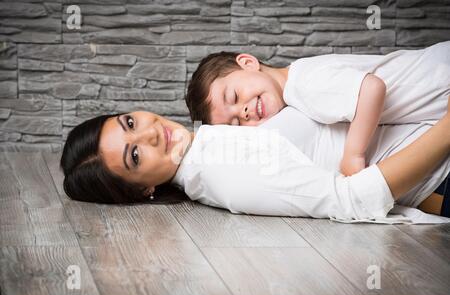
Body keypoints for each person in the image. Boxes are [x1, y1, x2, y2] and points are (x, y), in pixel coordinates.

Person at [60, 101, 450, 224]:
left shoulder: (208, 140)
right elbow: (352, 200)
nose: (147, 133)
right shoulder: (224, 173)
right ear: (143, 189)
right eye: (135, 155)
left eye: (129, 122)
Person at [185, 42, 450, 176]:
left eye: (234, 96)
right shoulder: (298, 84)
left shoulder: (302, 83)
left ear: (248, 63)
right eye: (235, 124)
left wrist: (353, 155)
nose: (243, 113)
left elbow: (371, 89)